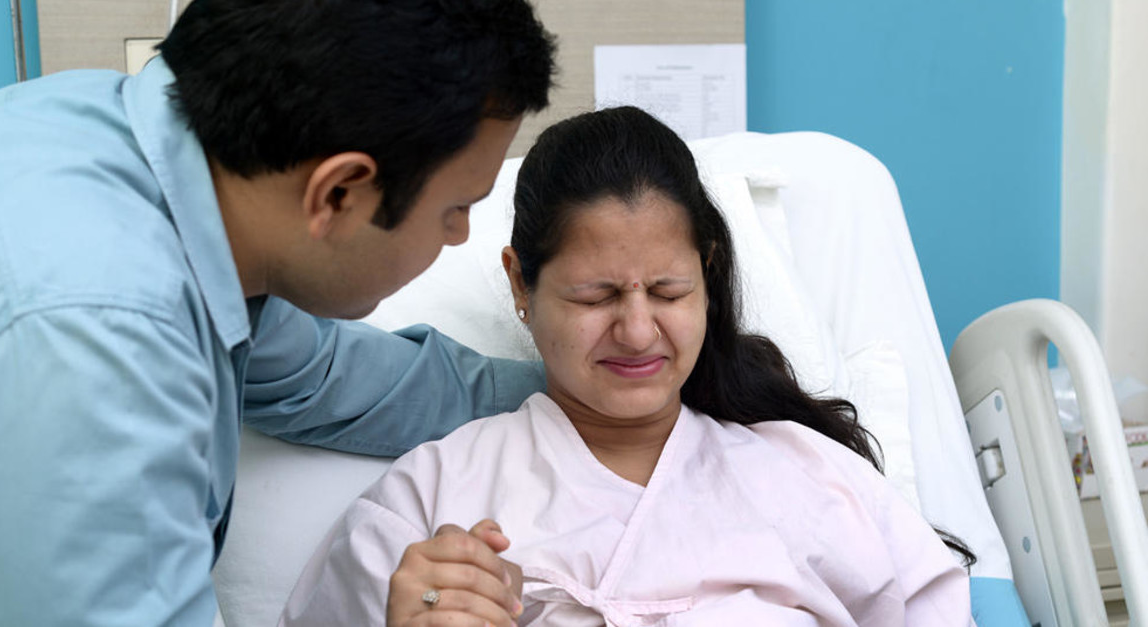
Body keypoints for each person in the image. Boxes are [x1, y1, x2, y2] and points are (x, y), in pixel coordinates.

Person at [0, 1, 555, 625]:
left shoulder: (131, 146)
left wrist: (566, 393)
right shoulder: (96, 350)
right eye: (458, 208)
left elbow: (321, 371)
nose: (460, 236)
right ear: (337, 193)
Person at [280, 106, 976, 626]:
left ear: (707, 276)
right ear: (521, 284)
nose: (639, 331)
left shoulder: (816, 480)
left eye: (669, 292)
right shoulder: (430, 502)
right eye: (596, 296)